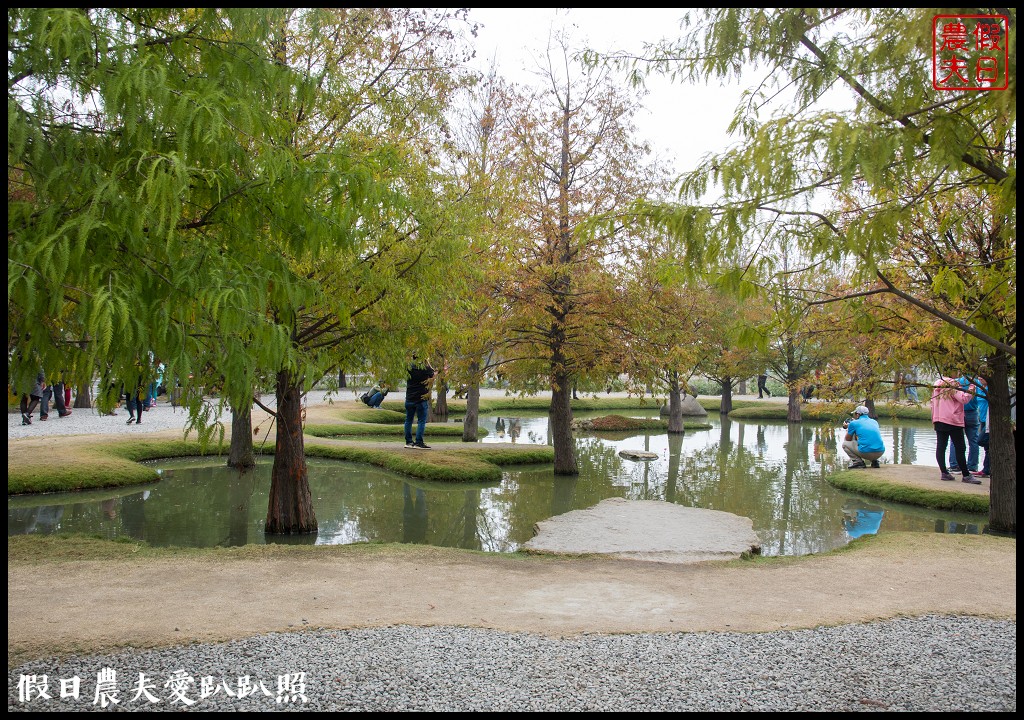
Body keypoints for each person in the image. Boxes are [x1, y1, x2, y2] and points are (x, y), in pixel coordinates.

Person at [930, 375, 979, 484]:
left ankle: (944, 472)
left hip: (939, 418)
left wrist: (934, 417)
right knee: (960, 447)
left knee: (941, 446)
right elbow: (964, 399)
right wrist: (972, 388)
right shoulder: (952, 384)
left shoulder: (937, 383)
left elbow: (932, 403)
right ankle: (966, 474)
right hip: (952, 419)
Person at [949, 375, 984, 474]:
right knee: (973, 441)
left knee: (954, 440)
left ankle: (954, 465)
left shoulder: (955, 382)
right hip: (972, 412)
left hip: (959, 413)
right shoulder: (977, 383)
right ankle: (972, 466)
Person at [404, 353, 435, 449]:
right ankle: (418, 442)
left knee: (408, 420)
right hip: (421, 398)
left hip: (409, 398)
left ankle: (408, 442)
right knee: (421, 421)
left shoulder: (409, 367)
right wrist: (428, 362)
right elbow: (433, 374)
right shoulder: (425, 368)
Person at [841, 404, 885, 469]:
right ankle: (875, 462)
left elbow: (848, 439)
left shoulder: (854, 423)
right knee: (869, 440)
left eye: (855, 414)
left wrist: (849, 427)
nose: (855, 416)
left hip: (867, 453)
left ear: (858, 414)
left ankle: (858, 462)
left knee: (845, 444)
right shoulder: (874, 422)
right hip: (880, 452)